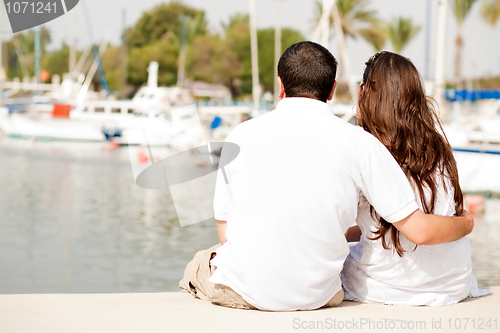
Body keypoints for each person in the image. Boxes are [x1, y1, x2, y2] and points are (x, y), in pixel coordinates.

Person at [179, 42, 474, 311]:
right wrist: (465, 219)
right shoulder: (361, 143)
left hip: (249, 292)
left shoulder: (240, 134)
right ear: (332, 90)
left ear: (280, 86)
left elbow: (225, 230)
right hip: (320, 296)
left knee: (201, 262)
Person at [342, 51, 490, 306]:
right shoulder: (436, 146)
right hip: (451, 284)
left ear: (366, 94)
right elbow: (385, 224)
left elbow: (418, 230)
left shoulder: (369, 149)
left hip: (393, 287)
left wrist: (467, 223)